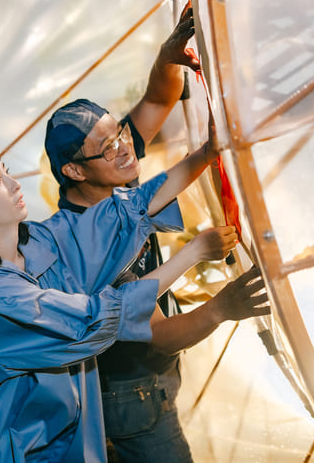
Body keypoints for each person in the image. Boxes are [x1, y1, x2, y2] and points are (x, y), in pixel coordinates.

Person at [0, 142, 267, 462]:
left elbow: (123, 214)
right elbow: (94, 320)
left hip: (47, 434)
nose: (15, 185)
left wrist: (208, 151)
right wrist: (194, 254)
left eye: (8, 171)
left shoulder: (38, 242)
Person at [43, 87, 261, 461]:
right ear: (74, 170)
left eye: (120, 133)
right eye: (109, 146)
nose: (125, 148)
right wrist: (221, 307)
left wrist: (170, 56)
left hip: (140, 385)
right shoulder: (90, 250)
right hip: (132, 394)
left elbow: (158, 101)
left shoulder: (109, 180)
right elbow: (159, 335)